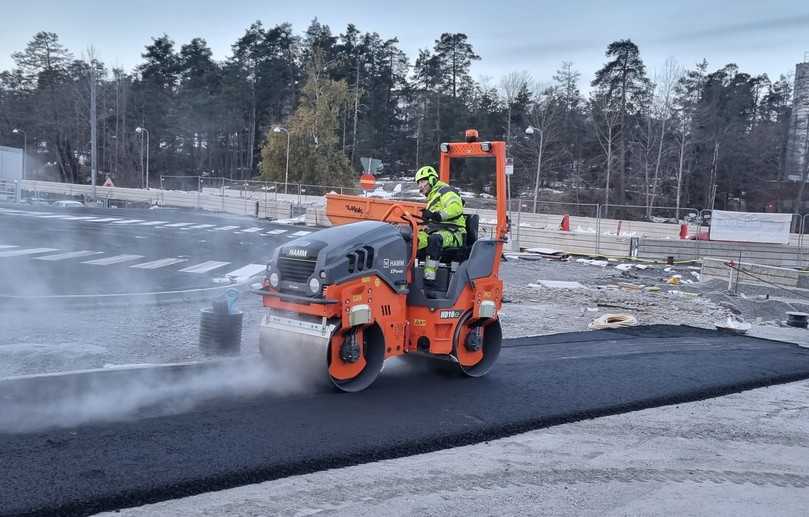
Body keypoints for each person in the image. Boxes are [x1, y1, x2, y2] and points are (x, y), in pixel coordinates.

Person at [414, 165, 466, 281]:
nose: (420, 186)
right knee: (413, 240)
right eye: (418, 183)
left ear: (432, 179)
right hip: (438, 230)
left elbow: (456, 209)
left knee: (434, 239)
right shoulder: (432, 198)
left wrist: (437, 215)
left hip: (454, 233)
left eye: (422, 181)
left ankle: (429, 277)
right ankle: (409, 274)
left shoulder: (446, 192)